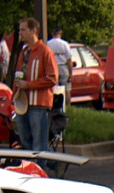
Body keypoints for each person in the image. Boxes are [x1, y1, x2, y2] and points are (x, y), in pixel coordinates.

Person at [12, 17, 58, 165]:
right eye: (20, 30)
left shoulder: (45, 51)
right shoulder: (24, 52)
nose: (20, 33)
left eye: (23, 30)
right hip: (22, 103)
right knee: (26, 141)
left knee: (39, 144)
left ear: (33, 31)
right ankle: (46, 166)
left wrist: (29, 85)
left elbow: (52, 78)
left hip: (39, 104)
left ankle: (43, 172)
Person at [47, 26, 74, 100]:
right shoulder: (64, 44)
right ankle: (67, 106)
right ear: (60, 34)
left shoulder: (48, 44)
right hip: (63, 67)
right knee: (66, 88)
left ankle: (54, 105)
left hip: (52, 67)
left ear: (52, 34)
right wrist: (70, 73)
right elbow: (69, 59)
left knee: (53, 88)